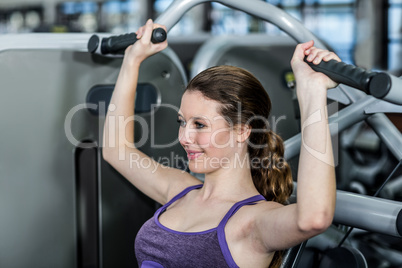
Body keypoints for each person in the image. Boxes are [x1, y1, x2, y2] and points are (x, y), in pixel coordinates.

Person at [102, 19, 339, 268]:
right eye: (182, 122)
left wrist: (311, 92)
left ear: (241, 131)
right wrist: (132, 60)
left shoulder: (251, 222)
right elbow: (116, 150)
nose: (184, 138)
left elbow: (314, 218)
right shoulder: (179, 190)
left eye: (200, 125)